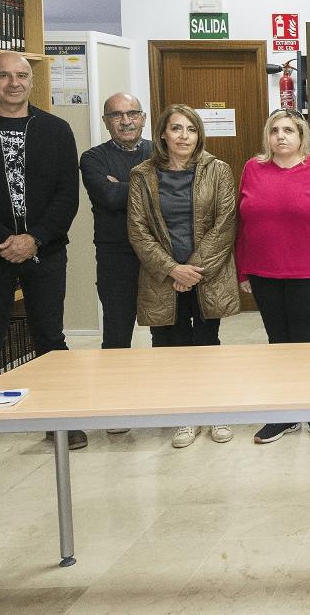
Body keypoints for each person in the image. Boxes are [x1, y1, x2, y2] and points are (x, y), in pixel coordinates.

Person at [0, 52, 80, 467]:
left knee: (50, 337)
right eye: (4, 75)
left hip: (46, 250)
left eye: (22, 75)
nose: (14, 83)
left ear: (32, 80)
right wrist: (3, 239)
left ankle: (60, 418)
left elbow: (67, 194)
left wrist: (36, 238)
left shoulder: (56, 129)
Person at [127, 104, 239, 448]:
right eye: (176, 129)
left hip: (206, 275)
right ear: (163, 134)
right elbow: (138, 229)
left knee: (207, 345)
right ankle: (183, 416)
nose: (184, 136)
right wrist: (172, 268)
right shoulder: (142, 175)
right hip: (163, 276)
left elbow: (225, 225)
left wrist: (192, 270)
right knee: (170, 347)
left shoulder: (218, 170)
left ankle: (214, 413)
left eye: (191, 129)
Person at [236, 109, 310, 444]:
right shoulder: (253, 169)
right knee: (278, 346)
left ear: (302, 136)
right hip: (264, 274)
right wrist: (243, 268)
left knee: (308, 349)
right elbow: (243, 223)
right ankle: (284, 416)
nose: (281, 136)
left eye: (288, 130)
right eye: (275, 130)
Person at [79, 93, 152, 351]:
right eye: (116, 115)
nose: (125, 121)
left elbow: (173, 194)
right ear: (105, 121)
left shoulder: (160, 153)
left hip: (160, 254)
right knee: (116, 337)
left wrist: (121, 186)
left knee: (167, 334)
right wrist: (153, 188)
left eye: (132, 113)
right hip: (116, 257)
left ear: (143, 118)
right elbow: (108, 197)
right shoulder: (92, 158)